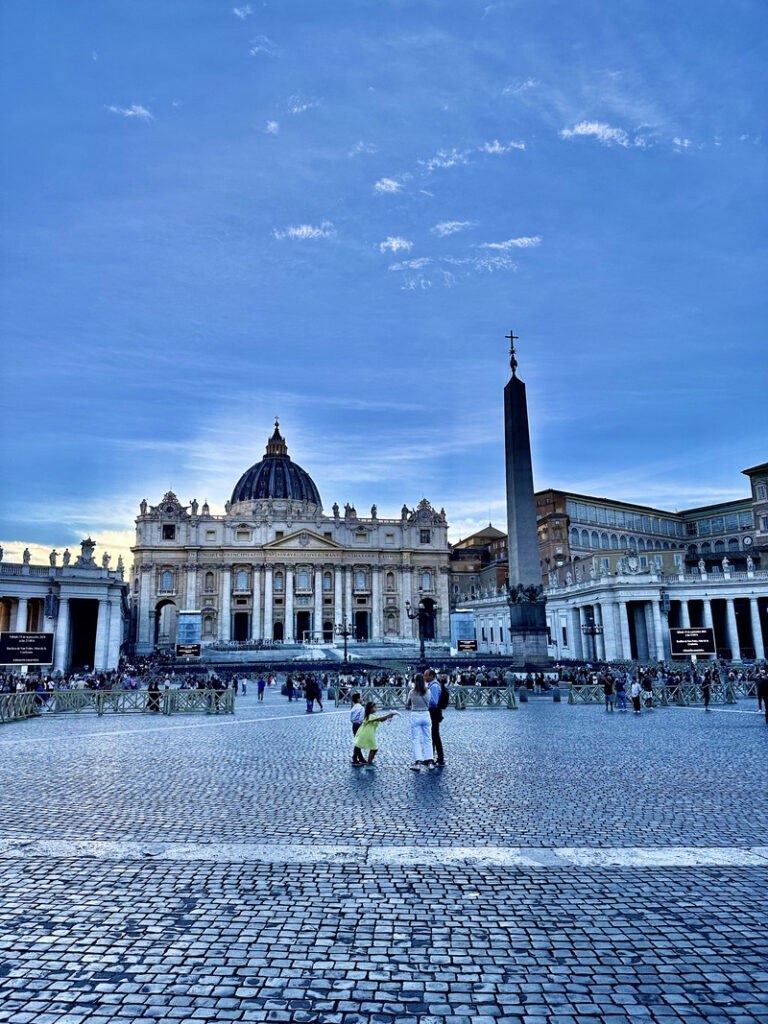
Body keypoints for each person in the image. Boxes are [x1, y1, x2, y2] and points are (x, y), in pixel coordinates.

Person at [353, 701, 398, 769]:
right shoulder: (370, 716)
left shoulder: (371, 716)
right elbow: (381, 719)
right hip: (367, 735)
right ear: (371, 709)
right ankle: (369, 763)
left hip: (369, 734)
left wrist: (390, 716)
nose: (376, 708)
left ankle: (369, 762)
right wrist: (390, 715)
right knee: (374, 748)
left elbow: (381, 720)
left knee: (374, 748)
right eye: (375, 707)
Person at [406, 672, 433, 772]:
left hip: (415, 715)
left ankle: (417, 762)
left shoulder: (412, 692)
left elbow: (408, 704)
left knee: (416, 739)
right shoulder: (428, 691)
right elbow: (429, 702)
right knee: (428, 738)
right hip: (426, 714)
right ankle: (430, 761)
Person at [425, 667, 446, 766]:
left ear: (432, 676)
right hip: (435, 713)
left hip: (433, 713)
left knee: (434, 736)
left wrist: (425, 702)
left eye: (426, 675)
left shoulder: (433, 686)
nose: (425, 677)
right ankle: (431, 757)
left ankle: (438, 758)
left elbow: (434, 702)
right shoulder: (434, 685)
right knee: (433, 736)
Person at [349, 692, 367, 765]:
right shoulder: (361, 708)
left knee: (357, 741)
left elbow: (351, 718)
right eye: (361, 697)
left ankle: (360, 758)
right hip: (359, 725)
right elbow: (361, 718)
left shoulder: (353, 707)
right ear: (358, 699)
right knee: (358, 742)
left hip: (354, 725)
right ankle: (355, 757)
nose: (362, 699)